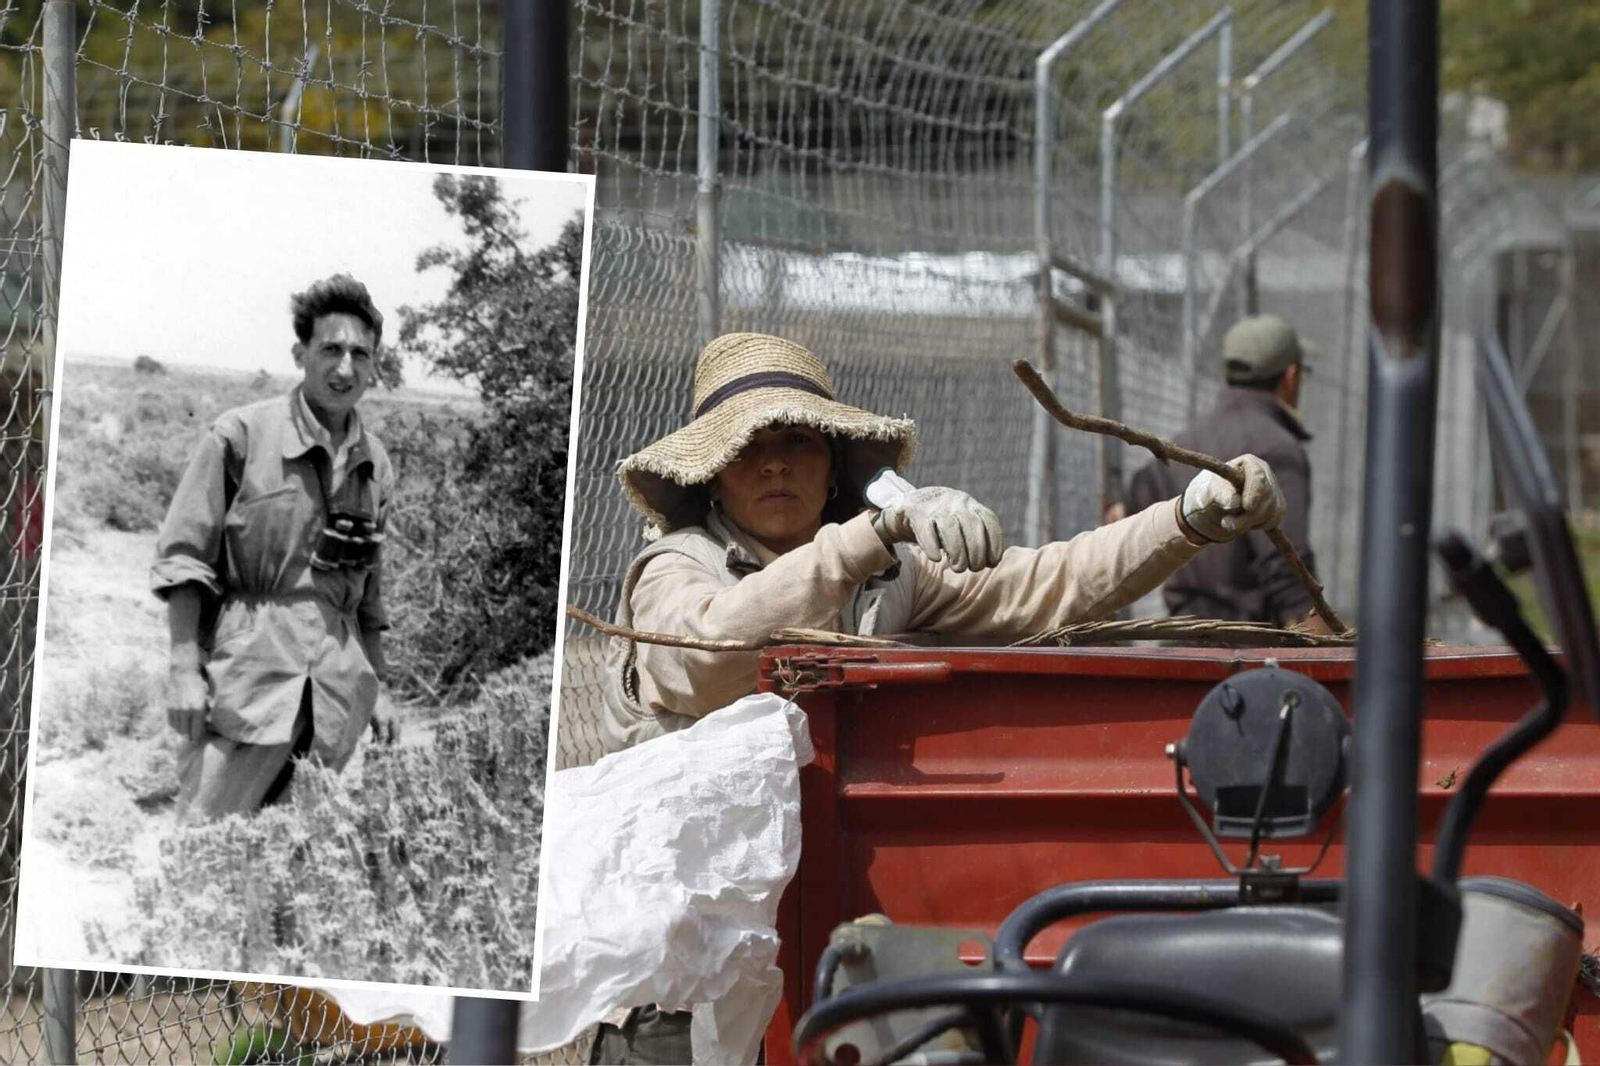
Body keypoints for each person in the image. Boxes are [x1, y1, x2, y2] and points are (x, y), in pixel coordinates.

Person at [587, 331, 1290, 1063]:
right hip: (677, 983)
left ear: (833, 467)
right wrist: (872, 534)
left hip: (813, 945)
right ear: (712, 477)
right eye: (747, 447)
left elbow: (1044, 587)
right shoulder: (675, 568)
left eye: (798, 439)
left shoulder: (889, 574)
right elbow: (709, 657)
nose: (774, 462)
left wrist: (1187, 518)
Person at [153, 274, 396, 826]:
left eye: (361, 354)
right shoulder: (239, 436)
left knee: (294, 852)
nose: (345, 368)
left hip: (334, 687)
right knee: (206, 847)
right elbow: (185, 556)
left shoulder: (374, 461)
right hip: (249, 677)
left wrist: (379, 687)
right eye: (330, 349)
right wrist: (184, 667)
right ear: (300, 353)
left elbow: (370, 592)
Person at [1123, 313, 1326, 631]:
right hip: (1251, 650)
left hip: (1182, 642)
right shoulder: (1278, 448)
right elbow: (1287, 569)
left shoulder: (1184, 443)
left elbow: (1132, 506)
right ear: (1290, 376)